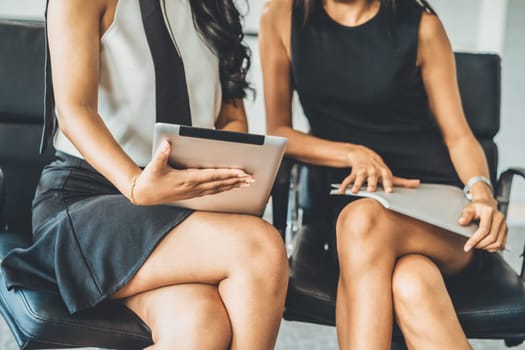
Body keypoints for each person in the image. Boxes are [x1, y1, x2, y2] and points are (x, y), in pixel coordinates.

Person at [1, 0, 289, 349]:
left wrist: (230, 173)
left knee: (200, 328)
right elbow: (74, 110)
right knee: (259, 246)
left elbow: (230, 119)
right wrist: (136, 185)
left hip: (181, 201)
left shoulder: (213, 8)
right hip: (90, 199)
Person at [260, 0, 508, 348]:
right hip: (353, 196)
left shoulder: (421, 25)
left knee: (362, 223)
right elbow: (280, 130)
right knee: (412, 281)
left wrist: (483, 195)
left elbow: (459, 136)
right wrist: (351, 152)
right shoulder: (282, 17)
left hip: (433, 204)